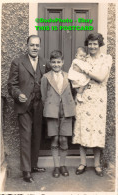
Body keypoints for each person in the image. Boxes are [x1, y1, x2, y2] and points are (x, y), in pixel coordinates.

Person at [8, 35, 49, 182]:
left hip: (39, 105)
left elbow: (52, 80)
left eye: (37, 45)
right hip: (24, 106)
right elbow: (11, 85)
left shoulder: (45, 62)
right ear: (27, 46)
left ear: (40, 46)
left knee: (37, 136)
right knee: (26, 136)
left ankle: (33, 165)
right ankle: (26, 171)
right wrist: (18, 95)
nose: (35, 48)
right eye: (32, 45)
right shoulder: (17, 62)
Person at [72, 33, 112, 177]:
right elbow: (75, 76)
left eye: (95, 43)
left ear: (100, 44)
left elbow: (101, 77)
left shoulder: (106, 58)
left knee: (97, 130)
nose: (92, 46)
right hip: (84, 98)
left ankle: (96, 164)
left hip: (99, 100)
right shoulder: (83, 58)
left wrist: (86, 70)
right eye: (90, 43)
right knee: (83, 129)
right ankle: (82, 163)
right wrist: (79, 90)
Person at [41, 50, 76, 178]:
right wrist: (50, 108)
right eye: (54, 62)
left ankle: (63, 165)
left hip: (66, 112)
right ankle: (56, 166)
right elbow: (43, 96)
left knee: (63, 139)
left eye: (59, 62)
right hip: (52, 112)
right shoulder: (46, 77)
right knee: (55, 139)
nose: (56, 64)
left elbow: (73, 93)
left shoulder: (68, 76)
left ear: (63, 62)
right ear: (50, 63)